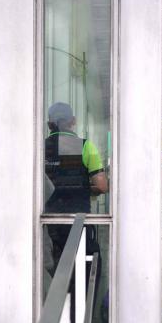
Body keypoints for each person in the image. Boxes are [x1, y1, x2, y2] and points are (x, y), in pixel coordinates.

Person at [43, 101, 108, 265]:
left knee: (52, 264)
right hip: (78, 220)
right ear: (73, 121)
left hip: (47, 221)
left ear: (49, 124)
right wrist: (81, 189)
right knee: (81, 265)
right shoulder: (86, 146)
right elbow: (102, 186)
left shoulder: (39, 148)